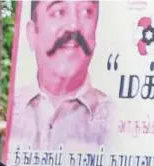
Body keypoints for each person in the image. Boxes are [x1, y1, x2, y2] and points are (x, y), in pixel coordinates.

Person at [9, 0, 112, 151]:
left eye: (85, 12)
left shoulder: (117, 120)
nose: (74, 26)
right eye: (58, 12)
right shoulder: (10, 111)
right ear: (32, 33)